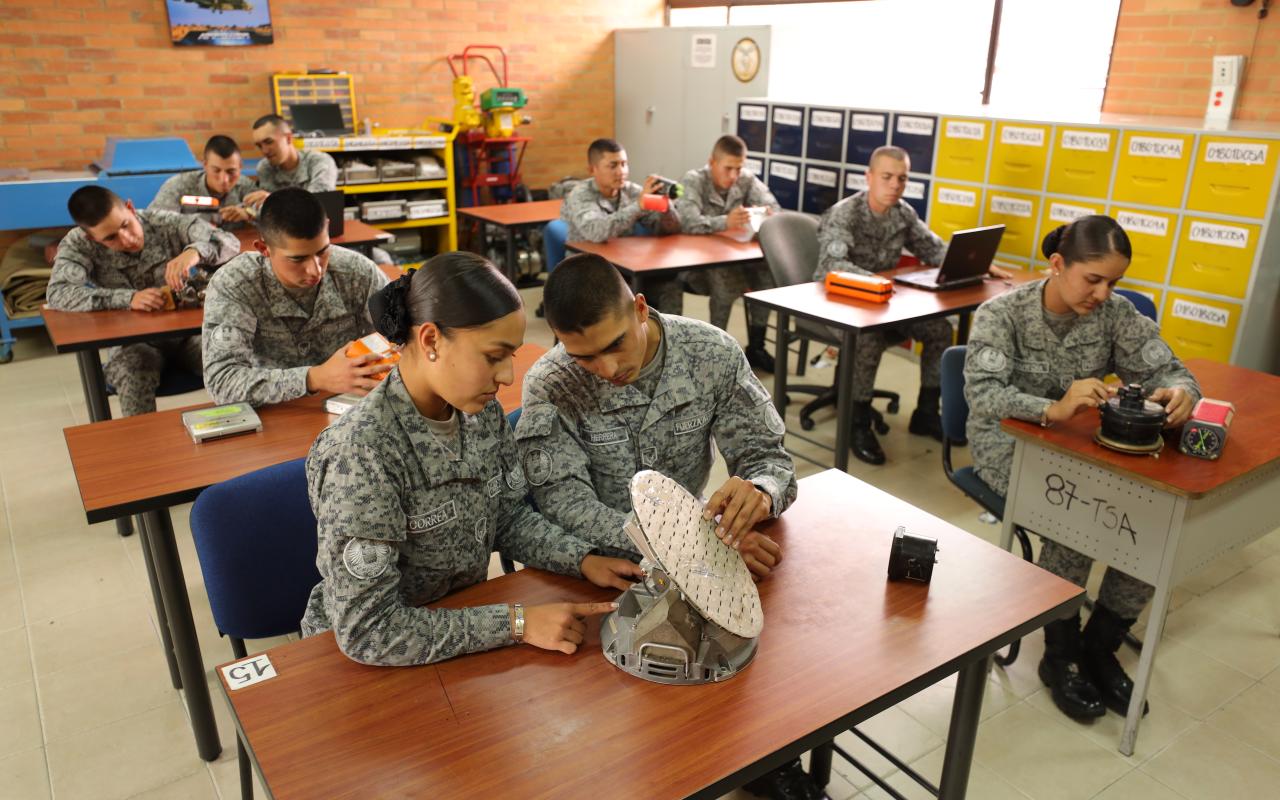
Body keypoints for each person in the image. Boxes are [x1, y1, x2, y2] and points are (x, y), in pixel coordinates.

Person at [516, 253, 817, 800]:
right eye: (584, 356)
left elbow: (770, 460)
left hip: (693, 556)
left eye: (614, 346)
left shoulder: (710, 353)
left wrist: (758, 494)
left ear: (639, 308)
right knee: (599, 734)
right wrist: (689, 550)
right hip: (591, 568)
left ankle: (762, 762)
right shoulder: (552, 382)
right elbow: (561, 500)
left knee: (749, 676)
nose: (605, 369)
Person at [300, 252, 643, 665]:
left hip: (452, 630)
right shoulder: (360, 453)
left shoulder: (478, 414)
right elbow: (369, 630)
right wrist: (516, 624)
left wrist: (580, 559)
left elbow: (507, 517)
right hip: (375, 660)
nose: (507, 377)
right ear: (430, 340)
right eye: (493, 356)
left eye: (510, 357)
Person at [964, 215, 1200, 722]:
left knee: (1150, 519)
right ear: (1056, 265)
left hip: (1078, 450)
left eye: (1113, 281)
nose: (1103, 292)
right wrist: (1050, 408)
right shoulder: (1000, 314)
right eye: (1092, 278)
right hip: (1007, 444)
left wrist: (1183, 393)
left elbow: (1171, 369)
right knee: (1078, 523)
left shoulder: (1115, 315)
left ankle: (1103, 644)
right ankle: (1061, 652)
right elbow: (982, 397)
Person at [46, 185, 239, 416]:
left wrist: (195, 251)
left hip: (189, 336)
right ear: (91, 237)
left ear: (130, 208)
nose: (126, 239)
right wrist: (128, 299)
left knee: (231, 354)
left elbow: (229, 242)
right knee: (133, 369)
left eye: (126, 225)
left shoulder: (163, 222)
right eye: (110, 238)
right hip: (133, 343)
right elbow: (58, 293)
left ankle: (245, 434)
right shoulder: (79, 243)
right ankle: (144, 447)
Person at [813, 145, 950, 465]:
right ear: (869, 177)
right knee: (867, 338)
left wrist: (979, 265)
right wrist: (880, 283)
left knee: (940, 330)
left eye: (902, 179)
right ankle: (856, 422)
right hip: (838, 304)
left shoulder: (903, 213)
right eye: (886, 177)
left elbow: (933, 249)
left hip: (886, 304)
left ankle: (926, 413)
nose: (894, 185)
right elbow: (831, 264)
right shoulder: (845, 213)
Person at [202, 187, 389, 407]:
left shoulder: (358, 272)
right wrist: (314, 378)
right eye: (297, 259)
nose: (315, 270)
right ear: (264, 249)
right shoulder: (235, 284)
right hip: (277, 414)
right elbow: (222, 382)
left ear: (327, 228)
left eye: (322, 252)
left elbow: (408, 339)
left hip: (352, 409)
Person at [676, 134, 780, 372]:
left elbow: (774, 207)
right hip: (696, 263)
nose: (733, 176)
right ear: (712, 162)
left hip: (736, 256)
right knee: (727, 283)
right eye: (728, 168)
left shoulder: (745, 179)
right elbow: (687, 221)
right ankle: (716, 351)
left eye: (739, 168)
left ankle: (757, 346)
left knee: (767, 276)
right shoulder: (695, 180)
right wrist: (725, 222)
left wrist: (761, 214)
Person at [560, 138, 683, 314]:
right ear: (592, 169)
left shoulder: (631, 191)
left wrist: (666, 206)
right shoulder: (579, 194)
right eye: (613, 165)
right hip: (588, 274)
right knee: (622, 297)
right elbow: (596, 232)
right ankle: (629, 338)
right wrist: (639, 205)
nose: (621, 172)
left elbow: (668, 229)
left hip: (626, 269)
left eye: (624, 164)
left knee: (670, 284)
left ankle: (667, 338)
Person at [147, 134, 257, 227]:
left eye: (231, 171)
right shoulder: (179, 186)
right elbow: (154, 220)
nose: (224, 179)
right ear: (205, 165)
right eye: (216, 170)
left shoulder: (246, 187)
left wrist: (248, 214)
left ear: (240, 167)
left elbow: (269, 215)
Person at [242, 114, 339, 209]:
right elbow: (269, 213)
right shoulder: (265, 167)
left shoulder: (320, 161)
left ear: (288, 138)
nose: (264, 151)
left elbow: (318, 204)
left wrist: (273, 200)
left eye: (269, 142)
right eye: (259, 146)